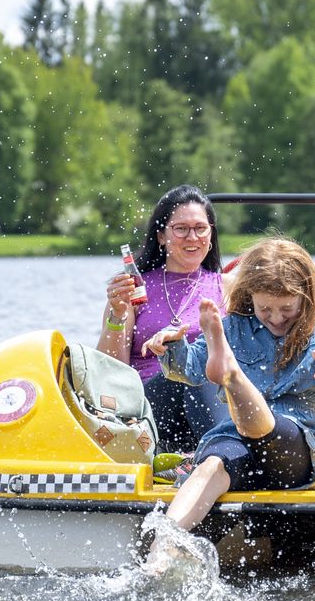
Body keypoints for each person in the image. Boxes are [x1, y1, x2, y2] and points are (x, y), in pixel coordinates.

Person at [141, 237, 315, 553]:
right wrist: (171, 346)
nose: (275, 317)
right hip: (235, 438)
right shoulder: (233, 326)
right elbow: (189, 370)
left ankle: (232, 376)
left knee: (268, 428)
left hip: (295, 444)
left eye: (286, 308)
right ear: (250, 297)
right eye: (264, 308)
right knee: (211, 465)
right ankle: (161, 548)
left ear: (306, 297)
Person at [97, 185, 227, 451]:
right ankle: (219, 457)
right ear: (161, 236)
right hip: (149, 407)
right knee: (189, 371)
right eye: (181, 229)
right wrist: (118, 314)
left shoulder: (230, 287)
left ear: (211, 235)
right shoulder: (135, 288)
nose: (192, 237)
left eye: (200, 228)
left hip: (215, 402)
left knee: (206, 372)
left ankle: (215, 456)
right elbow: (109, 370)